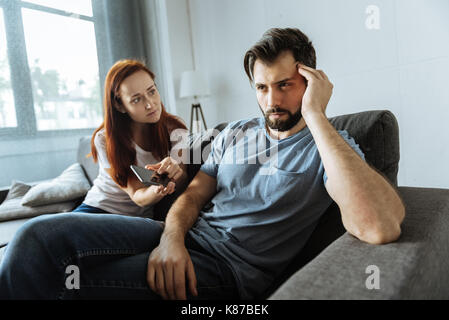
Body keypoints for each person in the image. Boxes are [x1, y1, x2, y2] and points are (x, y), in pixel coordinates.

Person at [0, 28, 405, 300]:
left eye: (285, 85)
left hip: (225, 271)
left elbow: (379, 226)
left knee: (70, 282)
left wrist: (316, 116)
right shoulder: (237, 133)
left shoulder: (330, 145)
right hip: (175, 235)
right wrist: (170, 239)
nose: (272, 101)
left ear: (312, 80)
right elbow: (194, 194)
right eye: (262, 87)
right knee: (33, 238)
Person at [73, 59, 188, 217]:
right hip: (96, 209)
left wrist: (169, 178)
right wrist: (157, 189)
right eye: (136, 99)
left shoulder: (176, 129)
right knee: (40, 230)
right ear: (120, 106)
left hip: (134, 220)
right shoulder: (105, 139)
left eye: (152, 91)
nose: (150, 104)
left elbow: (182, 179)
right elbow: (137, 195)